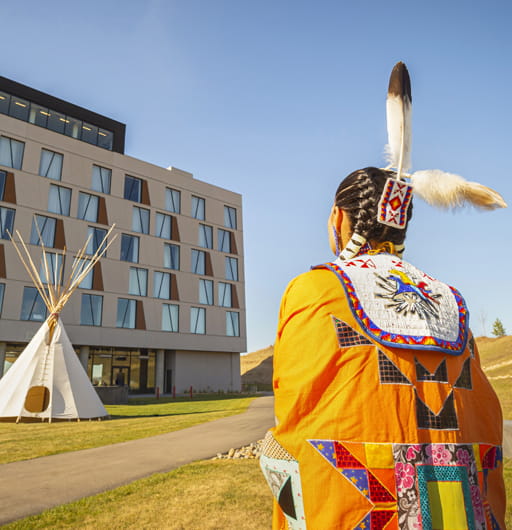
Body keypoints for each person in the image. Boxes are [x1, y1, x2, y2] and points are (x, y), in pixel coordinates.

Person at [260, 65, 506, 530]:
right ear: (400, 224)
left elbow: (293, 410)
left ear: (339, 220)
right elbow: (485, 419)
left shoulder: (315, 291)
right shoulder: (449, 299)